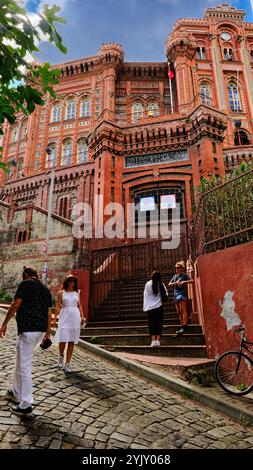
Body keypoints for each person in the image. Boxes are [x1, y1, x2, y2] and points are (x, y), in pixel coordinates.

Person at [0, 267, 52, 416]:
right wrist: (47, 333)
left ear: (25, 275)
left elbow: (16, 304)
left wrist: (4, 324)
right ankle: (15, 391)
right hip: (40, 330)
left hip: (28, 329)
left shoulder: (26, 284)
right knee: (20, 358)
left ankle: (26, 404)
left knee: (25, 366)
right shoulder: (45, 290)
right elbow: (49, 313)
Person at [54, 275, 85, 372]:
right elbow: (58, 306)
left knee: (72, 340)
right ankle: (61, 357)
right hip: (64, 317)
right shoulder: (61, 293)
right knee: (63, 339)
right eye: (70, 281)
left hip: (75, 317)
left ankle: (67, 364)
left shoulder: (77, 293)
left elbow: (79, 305)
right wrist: (55, 318)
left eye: (73, 281)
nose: (72, 283)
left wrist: (82, 316)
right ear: (66, 282)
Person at [143, 270, 168, 347]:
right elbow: (166, 294)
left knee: (152, 324)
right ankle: (158, 341)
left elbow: (145, 295)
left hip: (150, 308)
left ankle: (153, 341)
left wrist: (145, 307)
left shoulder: (148, 284)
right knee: (159, 324)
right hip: (159, 307)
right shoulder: (161, 284)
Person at [168, 260, 194, 336]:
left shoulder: (185, 275)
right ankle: (182, 325)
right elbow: (169, 284)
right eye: (176, 268)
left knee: (183, 309)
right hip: (176, 294)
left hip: (182, 294)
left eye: (178, 268)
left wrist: (184, 282)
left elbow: (192, 281)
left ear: (182, 268)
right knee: (178, 311)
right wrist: (175, 283)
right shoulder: (175, 276)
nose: (177, 269)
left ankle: (184, 326)